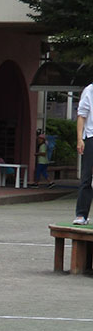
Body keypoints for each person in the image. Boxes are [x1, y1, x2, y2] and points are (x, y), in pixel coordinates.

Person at [74, 82, 93, 225]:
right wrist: (80, 139)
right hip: (91, 136)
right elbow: (82, 115)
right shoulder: (90, 90)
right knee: (86, 177)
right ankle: (81, 215)